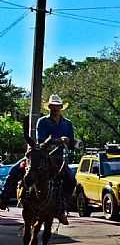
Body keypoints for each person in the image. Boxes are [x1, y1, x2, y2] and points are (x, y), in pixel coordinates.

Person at [15, 94, 76, 225]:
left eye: (57, 107)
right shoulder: (42, 121)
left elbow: (71, 142)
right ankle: (8, 197)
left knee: (71, 180)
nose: (55, 109)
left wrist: (73, 143)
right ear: (49, 107)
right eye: (52, 107)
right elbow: (42, 140)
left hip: (59, 158)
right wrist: (58, 140)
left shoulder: (68, 124)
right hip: (43, 155)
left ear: (61, 108)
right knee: (19, 170)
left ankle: (61, 209)